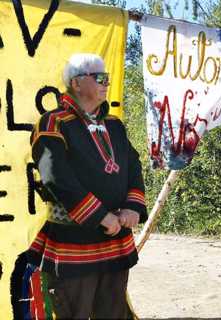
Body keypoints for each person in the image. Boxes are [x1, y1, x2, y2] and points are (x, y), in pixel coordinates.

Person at [26, 53, 148, 319]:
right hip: (74, 241)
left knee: (113, 313)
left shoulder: (115, 125)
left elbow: (133, 165)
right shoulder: (52, 122)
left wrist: (132, 207)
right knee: (74, 313)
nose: (107, 82)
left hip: (116, 239)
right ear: (78, 83)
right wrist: (99, 216)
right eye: (100, 77)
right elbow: (55, 175)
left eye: (107, 77)